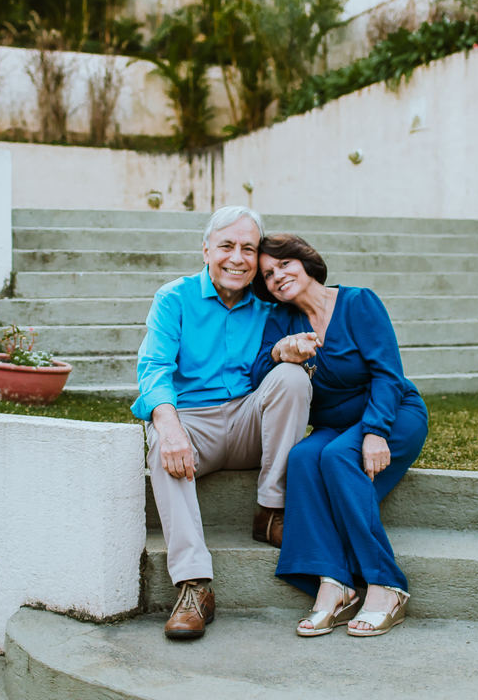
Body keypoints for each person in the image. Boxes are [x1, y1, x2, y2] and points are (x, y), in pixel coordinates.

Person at [132, 207, 312, 640]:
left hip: (248, 419)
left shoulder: (270, 305)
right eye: (227, 246)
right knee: (162, 442)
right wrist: (169, 426)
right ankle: (194, 587)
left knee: (291, 377)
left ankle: (271, 510)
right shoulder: (174, 298)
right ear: (206, 250)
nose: (237, 258)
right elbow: (153, 368)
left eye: (248, 248)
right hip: (193, 424)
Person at [250, 233, 428, 638]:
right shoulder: (281, 320)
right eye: (268, 274)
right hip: (334, 426)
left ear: (305, 261)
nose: (278, 277)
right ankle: (335, 585)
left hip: (392, 413)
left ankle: (387, 585)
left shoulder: (358, 302)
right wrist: (281, 352)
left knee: (336, 458)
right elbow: (258, 374)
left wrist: (375, 431)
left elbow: (388, 372)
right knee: (302, 458)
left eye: (284, 264)